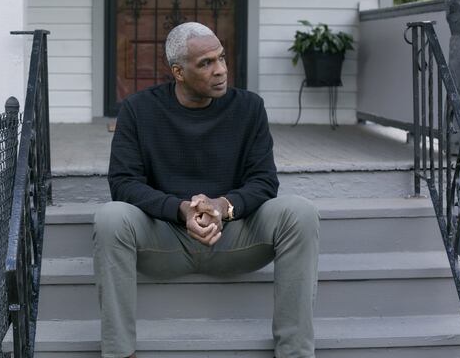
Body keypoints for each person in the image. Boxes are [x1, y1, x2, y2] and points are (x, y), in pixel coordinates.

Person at [94, 22, 320, 358]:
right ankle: (120, 352)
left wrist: (223, 206)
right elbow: (124, 184)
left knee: (300, 212)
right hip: (164, 240)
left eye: (222, 58)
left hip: (235, 237)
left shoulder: (249, 108)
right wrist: (180, 209)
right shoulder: (138, 110)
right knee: (110, 218)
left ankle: (295, 352)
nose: (221, 71)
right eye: (206, 63)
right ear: (178, 72)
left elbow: (264, 181)